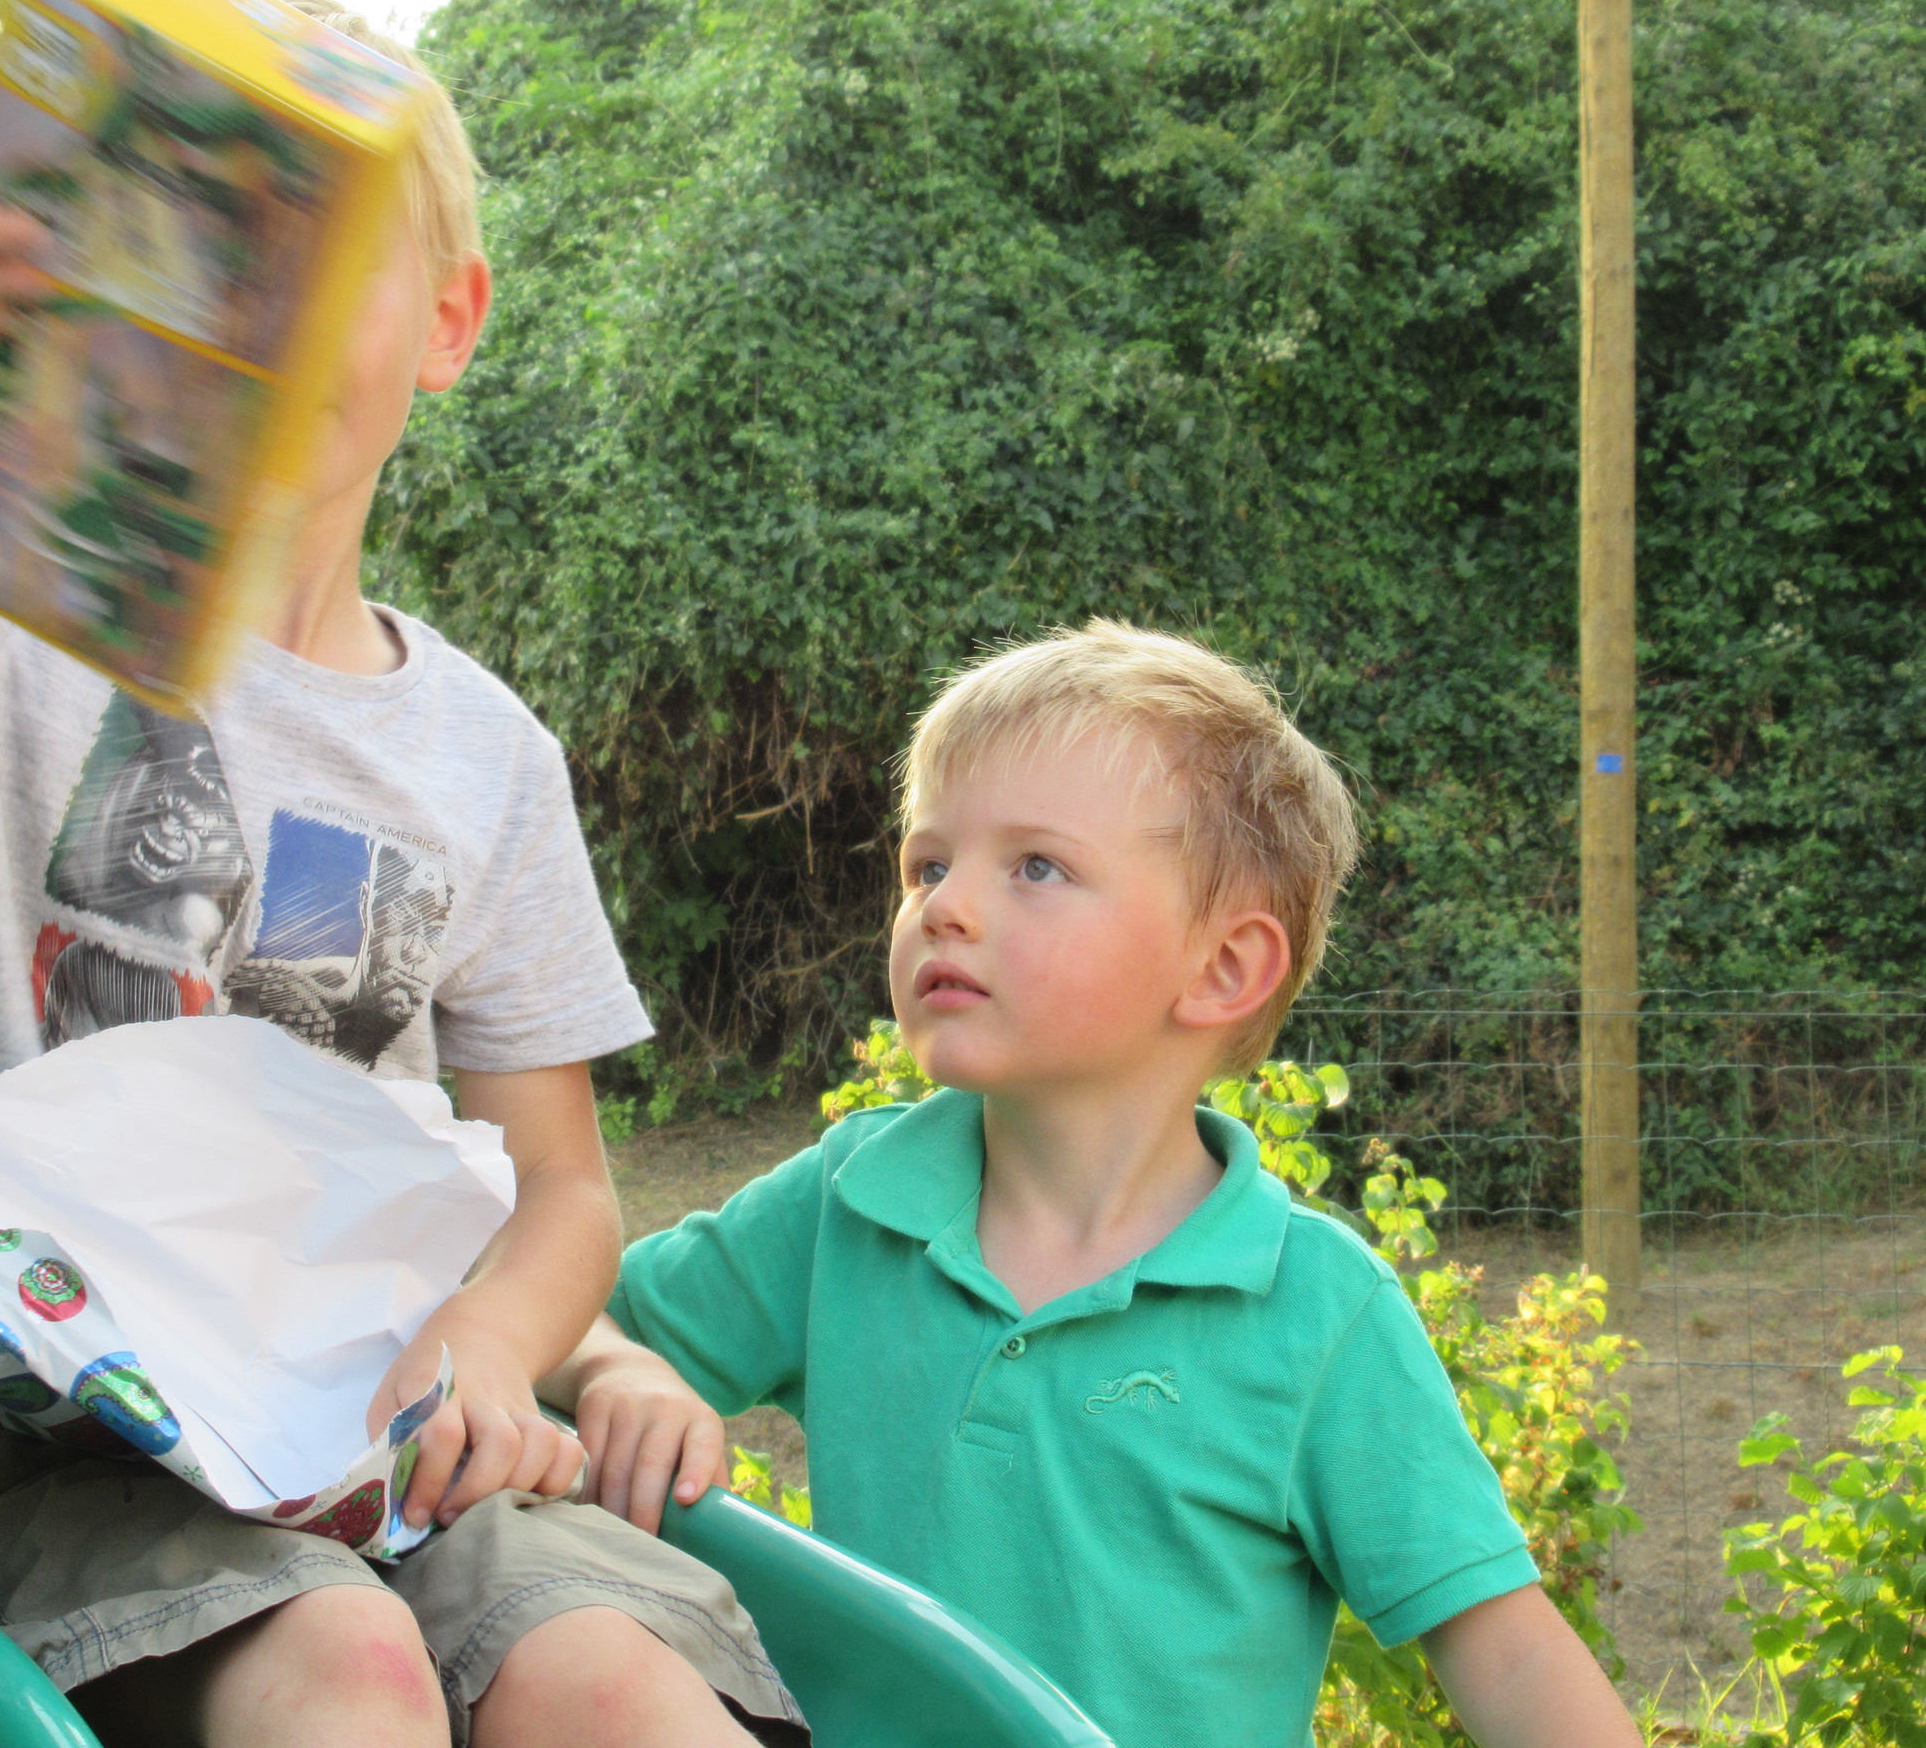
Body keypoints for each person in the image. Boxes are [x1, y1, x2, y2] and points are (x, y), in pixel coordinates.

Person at [0, 0, 799, 1748]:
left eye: (321, 257)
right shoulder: (6, 609)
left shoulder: (481, 754)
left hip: (374, 1413)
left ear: (448, 322)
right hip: (27, 1415)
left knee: (611, 1676)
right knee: (343, 1661)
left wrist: (497, 1343)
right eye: (200, 252)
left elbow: (562, 1185)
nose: (257, 311)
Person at [545, 622, 1644, 1748]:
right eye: (928, 865)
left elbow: (1506, 1652)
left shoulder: (1318, 1312)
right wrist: (617, 1366)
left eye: (1036, 867)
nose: (945, 906)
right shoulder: (850, 1203)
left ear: (1222, 968)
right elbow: (547, 1319)